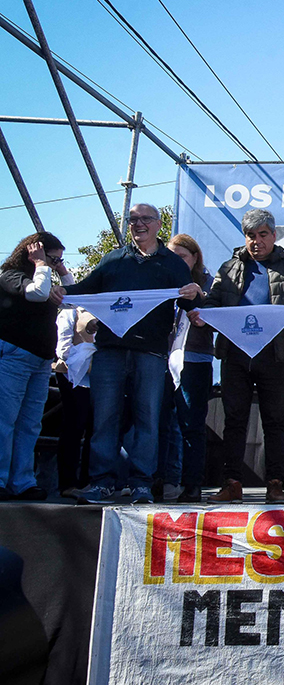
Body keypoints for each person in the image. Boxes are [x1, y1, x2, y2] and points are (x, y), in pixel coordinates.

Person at [71, 206, 202, 504]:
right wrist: (61, 291)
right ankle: (102, 483)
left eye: (145, 219)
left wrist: (195, 296)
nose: (138, 224)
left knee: (148, 419)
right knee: (104, 418)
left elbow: (189, 306)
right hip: (109, 350)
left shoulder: (172, 263)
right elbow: (84, 289)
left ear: (158, 225)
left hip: (151, 352)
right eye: (133, 220)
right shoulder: (113, 259)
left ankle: (142, 484)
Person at [203, 209, 284, 504]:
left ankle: (275, 485)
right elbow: (213, 302)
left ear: (274, 235)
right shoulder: (228, 268)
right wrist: (203, 313)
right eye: (251, 235)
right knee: (234, 421)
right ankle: (232, 484)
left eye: (263, 234)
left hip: (276, 357)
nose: (257, 241)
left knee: (275, 422)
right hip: (235, 355)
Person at [0, 233, 71, 500]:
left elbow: (73, 299)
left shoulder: (45, 279)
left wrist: (62, 271)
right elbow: (37, 294)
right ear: (33, 253)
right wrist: (42, 265)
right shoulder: (11, 276)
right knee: (5, 421)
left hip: (40, 361)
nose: (56, 264)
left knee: (30, 424)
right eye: (54, 258)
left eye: (59, 260)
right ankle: (1, 479)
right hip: (14, 357)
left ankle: (22, 481)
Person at [158, 234, 214, 503]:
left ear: (195, 258)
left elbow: (218, 317)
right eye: (172, 256)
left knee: (191, 424)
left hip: (194, 359)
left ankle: (192, 484)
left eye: (182, 256)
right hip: (160, 359)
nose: (176, 262)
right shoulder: (161, 280)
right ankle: (160, 480)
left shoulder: (209, 283)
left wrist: (200, 301)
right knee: (159, 422)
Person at [54, 305, 96, 498]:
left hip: (98, 377)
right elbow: (62, 348)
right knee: (74, 426)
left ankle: (88, 480)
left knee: (94, 428)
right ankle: (67, 482)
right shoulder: (71, 310)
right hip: (71, 375)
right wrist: (84, 358)